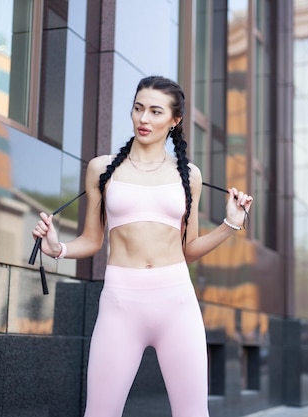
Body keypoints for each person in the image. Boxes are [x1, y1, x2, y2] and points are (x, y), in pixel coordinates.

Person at [32, 75, 253, 417]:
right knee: (100, 412)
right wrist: (57, 248)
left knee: (193, 413)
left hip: (176, 302)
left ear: (174, 120)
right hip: (121, 303)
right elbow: (92, 240)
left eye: (154, 111)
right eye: (138, 109)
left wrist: (231, 224)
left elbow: (189, 248)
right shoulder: (102, 168)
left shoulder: (188, 175)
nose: (143, 119)